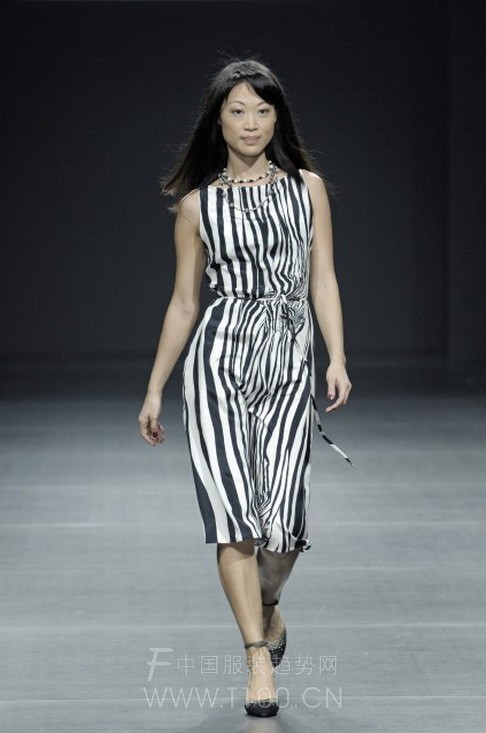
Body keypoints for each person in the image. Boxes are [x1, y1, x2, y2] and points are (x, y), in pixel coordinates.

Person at [138, 57, 352, 718]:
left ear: (277, 118)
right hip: (219, 362)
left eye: (262, 110)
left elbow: (322, 278)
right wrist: (154, 388)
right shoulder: (196, 206)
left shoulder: (307, 189)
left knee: (283, 530)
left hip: (289, 358)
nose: (251, 122)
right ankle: (257, 655)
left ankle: (268, 604)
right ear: (219, 121)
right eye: (238, 111)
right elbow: (184, 302)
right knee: (233, 516)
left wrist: (337, 356)